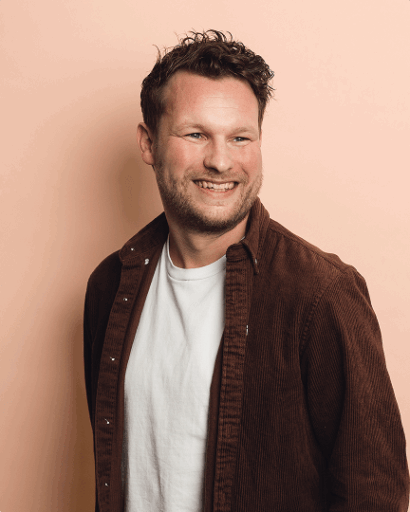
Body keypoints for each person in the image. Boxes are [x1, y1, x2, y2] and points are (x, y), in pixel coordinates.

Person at [83, 30, 409, 512]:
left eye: (240, 137)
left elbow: (374, 495)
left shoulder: (322, 296)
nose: (220, 161)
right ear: (148, 143)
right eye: (196, 135)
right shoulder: (111, 285)